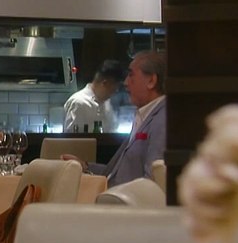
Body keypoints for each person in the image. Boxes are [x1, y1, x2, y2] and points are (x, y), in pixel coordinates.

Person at [68, 51, 166, 187]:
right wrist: (85, 166)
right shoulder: (143, 116)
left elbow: (152, 183)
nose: (126, 83)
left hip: (124, 199)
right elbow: (115, 173)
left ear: (151, 81)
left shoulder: (162, 119)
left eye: (131, 75)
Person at [62, 59, 125, 133]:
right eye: (113, 90)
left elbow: (112, 130)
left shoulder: (107, 104)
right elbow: (71, 137)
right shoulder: (78, 103)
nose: (112, 94)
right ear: (105, 83)